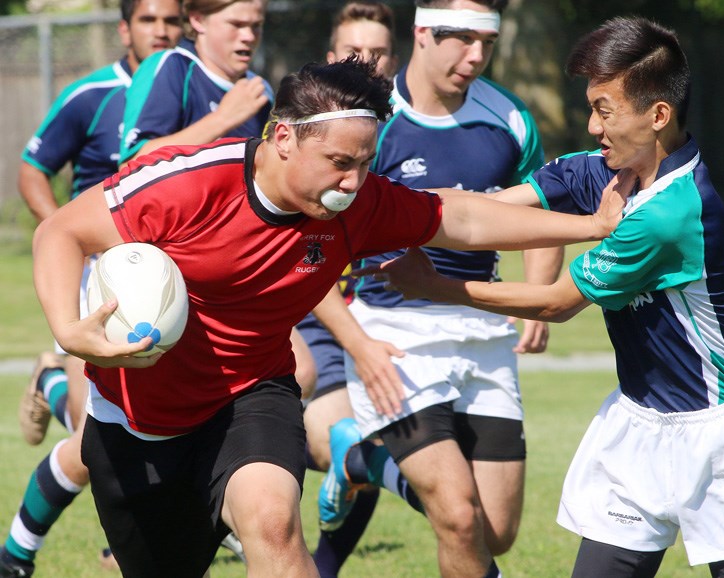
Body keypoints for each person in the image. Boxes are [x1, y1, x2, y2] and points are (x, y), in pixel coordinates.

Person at [30, 56, 626, 578]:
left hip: (249, 396)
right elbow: (61, 231)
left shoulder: (357, 205)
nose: (352, 183)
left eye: (365, 164)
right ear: (283, 137)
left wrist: (590, 227)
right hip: (138, 417)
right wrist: (67, 326)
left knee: (273, 526)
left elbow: (464, 218)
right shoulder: (191, 184)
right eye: (339, 162)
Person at [360, 16, 724, 578]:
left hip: (717, 439)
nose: (591, 126)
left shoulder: (670, 212)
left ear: (658, 115)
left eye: (604, 109)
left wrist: (435, 286)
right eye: (590, 107)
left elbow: (555, 304)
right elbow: (481, 209)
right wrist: (385, 212)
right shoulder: (612, 172)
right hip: (638, 424)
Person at [316, 1, 561, 577]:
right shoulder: (368, 119)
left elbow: (542, 211)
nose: (475, 56)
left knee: (494, 533)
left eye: (488, 43)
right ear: (423, 32)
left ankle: (357, 460)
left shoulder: (509, 117)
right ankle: (365, 456)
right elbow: (309, 248)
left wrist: (539, 296)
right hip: (395, 335)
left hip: (481, 333)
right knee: (456, 515)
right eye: (461, 39)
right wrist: (359, 346)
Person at [0, 2, 184, 576]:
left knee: (170, 417)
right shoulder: (92, 94)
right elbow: (33, 169)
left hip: (174, 280)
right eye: (149, 20)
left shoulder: (197, 92)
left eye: (171, 20)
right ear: (125, 28)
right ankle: (17, 554)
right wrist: (68, 239)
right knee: (94, 439)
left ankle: (52, 384)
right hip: (101, 277)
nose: (161, 31)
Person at [296, 3, 399, 577]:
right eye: (352, 53)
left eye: (377, 53)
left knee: (355, 443)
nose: (366, 63)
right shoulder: (303, 130)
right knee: (306, 433)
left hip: (382, 317)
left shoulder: (403, 128)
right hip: (311, 315)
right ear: (329, 58)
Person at [119, 0, 273, 164]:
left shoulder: (260, 90)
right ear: (198, 21)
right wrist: (222, 119)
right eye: (236, 24)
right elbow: (133, 165)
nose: (248, 36)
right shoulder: (171, 66)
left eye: (256, 25)